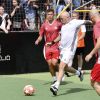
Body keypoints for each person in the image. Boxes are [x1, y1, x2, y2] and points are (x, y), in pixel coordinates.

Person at [50, 11, 91, 96]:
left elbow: (87, 21)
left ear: (68, 17)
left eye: (62, 18)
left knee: (61, 66)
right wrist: (53, 42)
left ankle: (56, 86)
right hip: (62, 49)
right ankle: (78, 73)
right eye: (60, 18)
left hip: (70, 50)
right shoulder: (63, 25)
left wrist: (95, 21)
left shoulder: (75, 22)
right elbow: (61, 36)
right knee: (65, 68)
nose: (61, 19)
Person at [35, 9, 62, 83]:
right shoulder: (43, 25)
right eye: (48, 14)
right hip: (47, 47)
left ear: (53, 15)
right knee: (50, 64)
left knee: (54, 63)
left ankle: (62, 71)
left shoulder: (59, 24)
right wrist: (38, 40)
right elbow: (40, 36)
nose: (50, 16)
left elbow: (63, 33)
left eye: (51, 14)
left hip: (56, 46)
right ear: (46, 16)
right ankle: (54, 79)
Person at [85, 9, 100, 96]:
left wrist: (90, 54)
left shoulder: (97, 26)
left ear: (93, 18)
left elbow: (99, 42)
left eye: (91, 19)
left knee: (94, 82)